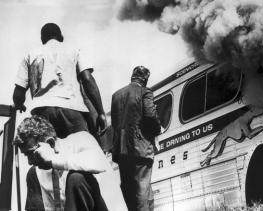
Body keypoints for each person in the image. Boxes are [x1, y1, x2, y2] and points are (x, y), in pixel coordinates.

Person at [12, 22, 107, 139]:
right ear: (61, 37)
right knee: (78, 152)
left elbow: (18, 93)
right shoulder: (74, 50)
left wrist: (19, 104)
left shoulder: (31, 55)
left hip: (42, 112)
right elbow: (87, 79)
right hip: (71, 110)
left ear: (42, 39)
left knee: (46, 154)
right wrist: (101, 112)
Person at [14, 115, 127, 211]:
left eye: (31, 153)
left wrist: (52, 161)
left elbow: (99, 165)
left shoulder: (81, 139)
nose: (29, 161)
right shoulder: (36, 172)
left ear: (50, 143)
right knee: (32, 174)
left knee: (76, 178)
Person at [111, 66, 161, 211]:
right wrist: (157, 130)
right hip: (140, 150)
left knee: (128, 194)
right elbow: (151, 117)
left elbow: (115, 123)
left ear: (132, 77)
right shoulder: (145, 92)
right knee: (142, 193)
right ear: (145, 79)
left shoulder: (116, 95)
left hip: (121, 151)